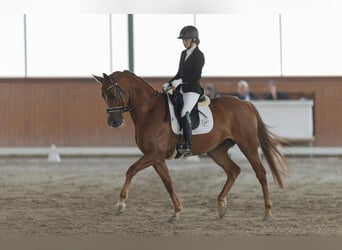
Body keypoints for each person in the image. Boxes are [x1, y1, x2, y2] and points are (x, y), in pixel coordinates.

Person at [163, 25, 205, 156]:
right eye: (183, 40)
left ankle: (188, 144)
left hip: (192, 90)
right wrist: (169, 83)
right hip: (182, 88)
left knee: (184, 112)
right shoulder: (183, 54)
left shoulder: (199, 55)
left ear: (194, 40)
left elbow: (196, 75)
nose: (184, 42)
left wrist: (181, 81)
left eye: (186, 40)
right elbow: (179, 73)